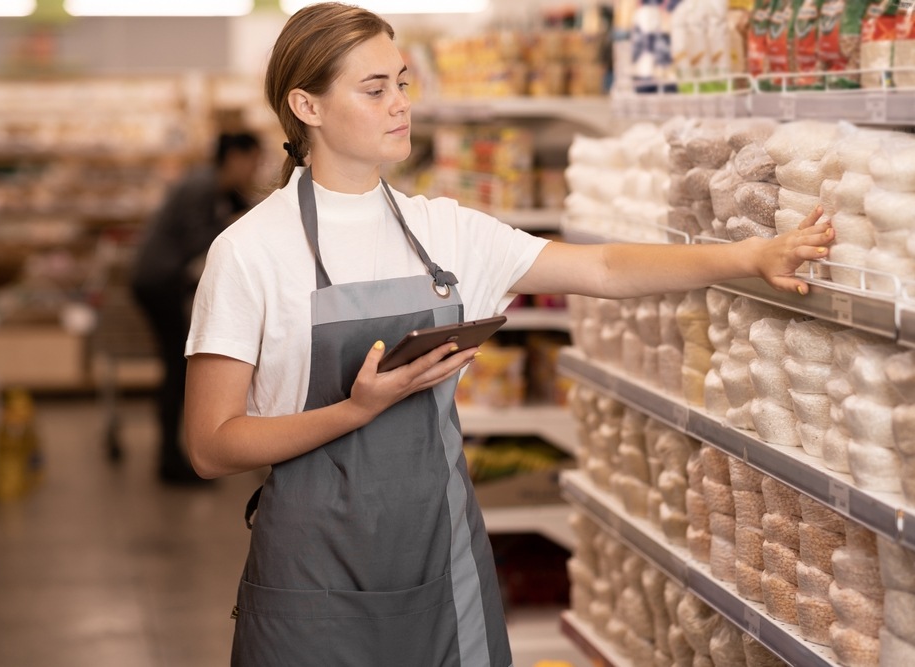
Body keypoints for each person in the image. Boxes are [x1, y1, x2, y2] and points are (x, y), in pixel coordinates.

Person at [183, 3, 834, 665]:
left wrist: (748, 257)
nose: (400, 103)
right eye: (374, 90)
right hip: (312, 582)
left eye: (403, 82)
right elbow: (210, 444)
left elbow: (604, 265)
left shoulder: (443, 232)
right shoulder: (250, 252)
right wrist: (356, 409)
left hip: (442, 559)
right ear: (307, 106)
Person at [131, 131, 262, 485]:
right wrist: (235, 224)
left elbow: (243, 204)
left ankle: (172, 456)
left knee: (175, 366)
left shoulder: (212, 185)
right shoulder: (200, 188)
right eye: (253, 161)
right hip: (158, 283)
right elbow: (196, 240)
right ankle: (170, 460)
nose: (255, 169)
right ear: (234, 158)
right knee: (176, 367)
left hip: (163, 281)